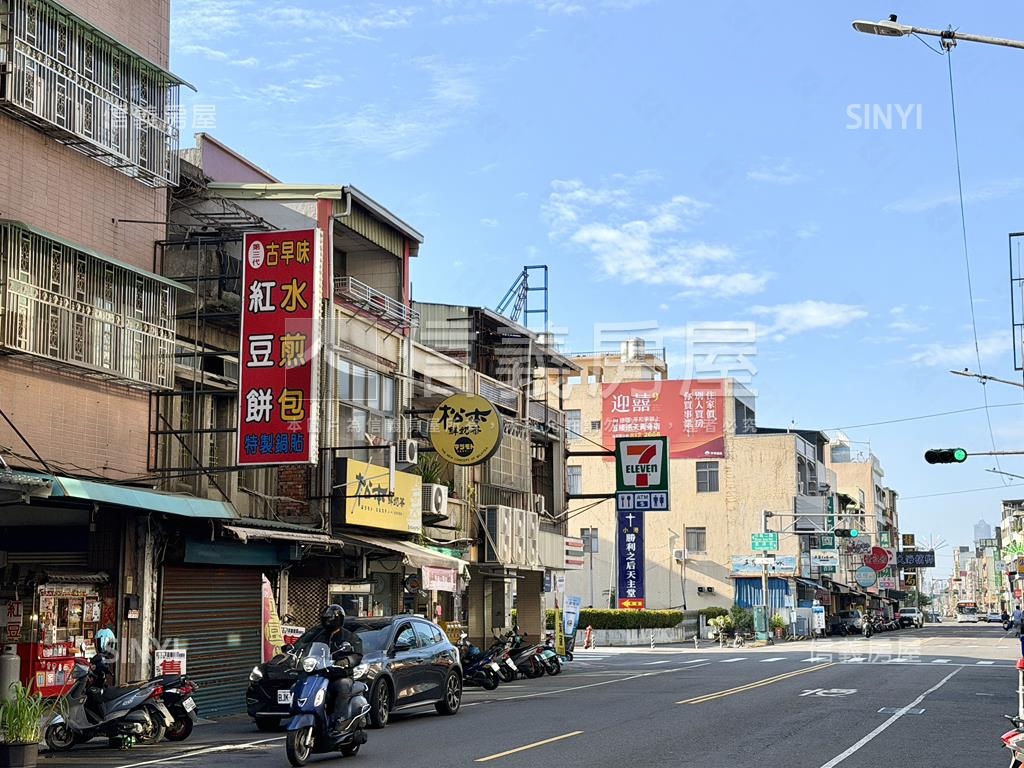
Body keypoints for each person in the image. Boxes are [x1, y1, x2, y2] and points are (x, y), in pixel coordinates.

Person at [319, 604, 357, 735]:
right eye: (326, 617)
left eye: (331, 617)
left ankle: (341, 720)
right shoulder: (318, 635)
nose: (328, 620)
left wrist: (346, 661)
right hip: (320, 675)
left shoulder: (349, 637)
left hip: (340, 675)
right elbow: (304, 647)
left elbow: (357, 655)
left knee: (343, 685)